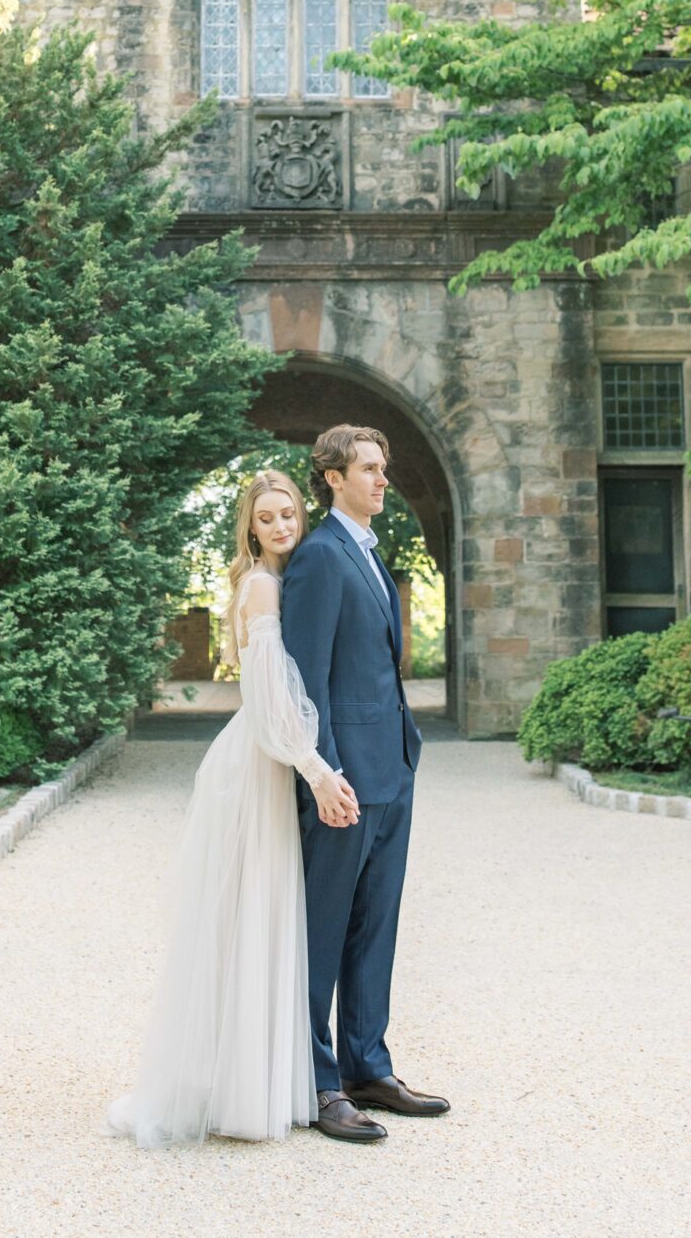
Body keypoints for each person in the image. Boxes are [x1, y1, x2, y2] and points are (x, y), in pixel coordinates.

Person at [109, 468, 359, 1144]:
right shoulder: (260, 584)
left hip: (262, 758)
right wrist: (317, 771)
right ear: (250, 526)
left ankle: (257, 1079)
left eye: (290, 514)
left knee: (261, 914)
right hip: (260, 763)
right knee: (250, 912)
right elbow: (272, 696)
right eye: (268, 517)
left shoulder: (276, 581)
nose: (282, 526)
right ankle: (239, 1092)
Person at [278, 424, 450, 1142]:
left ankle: (366, 1065)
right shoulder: (319, 558)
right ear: (332, 477)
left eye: (385, 469)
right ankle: (319, 1084)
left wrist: (403, 755)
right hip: (345, 782)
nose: (384, 480)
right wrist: (326, 774)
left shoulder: (368, 553)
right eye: (371, 470)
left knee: (375, 928)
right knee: (323, 932)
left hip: (393, 770)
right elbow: (307, 679)